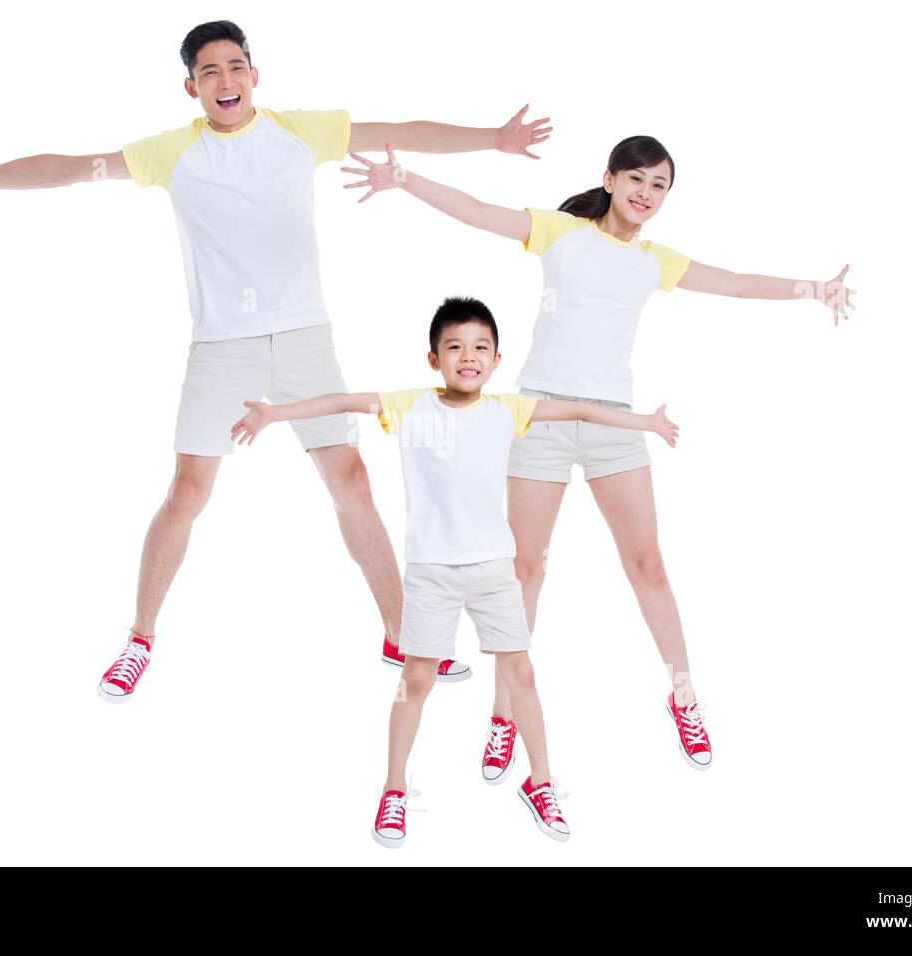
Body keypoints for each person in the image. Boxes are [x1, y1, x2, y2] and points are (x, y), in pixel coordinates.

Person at [0, 20, 554, 702]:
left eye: (235, 66)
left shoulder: (301, 132)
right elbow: (69, 168)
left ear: (255, 75)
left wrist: (494, 139)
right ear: (192, 88)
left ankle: (400, 633)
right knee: (188, 493)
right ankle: (141, 638)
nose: (225, 80)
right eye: (209, 72)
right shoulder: (171, 153)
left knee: (353, 481)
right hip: (223, 347)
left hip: (304, 338)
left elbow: (404, 128)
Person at [342, 137, 856, 771]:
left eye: (660, 185)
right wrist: (405, 177)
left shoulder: (654, 261)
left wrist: (815, 289)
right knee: (523, 571)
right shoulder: (560, 233)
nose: (646, 194)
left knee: (648, 565)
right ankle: (504, 716)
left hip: (613, 421)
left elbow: (738, 284)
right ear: (609, 179)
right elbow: (478, 210)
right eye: (636, 179)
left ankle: (685, 697)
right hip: (541, 419)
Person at [231, 297, 679, 846]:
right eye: (455, 347)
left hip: (494, 571)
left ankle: (540, 785)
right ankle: (393, 790)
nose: (468, 356)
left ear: (495, 360)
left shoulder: (507, 410)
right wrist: (277, 413)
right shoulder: (409, 406)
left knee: (523, 676)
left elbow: (583, 412)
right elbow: (344, 399)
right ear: (434, 358)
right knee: (415, 680)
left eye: (480, 348)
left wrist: (646, 423)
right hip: (431, 575)